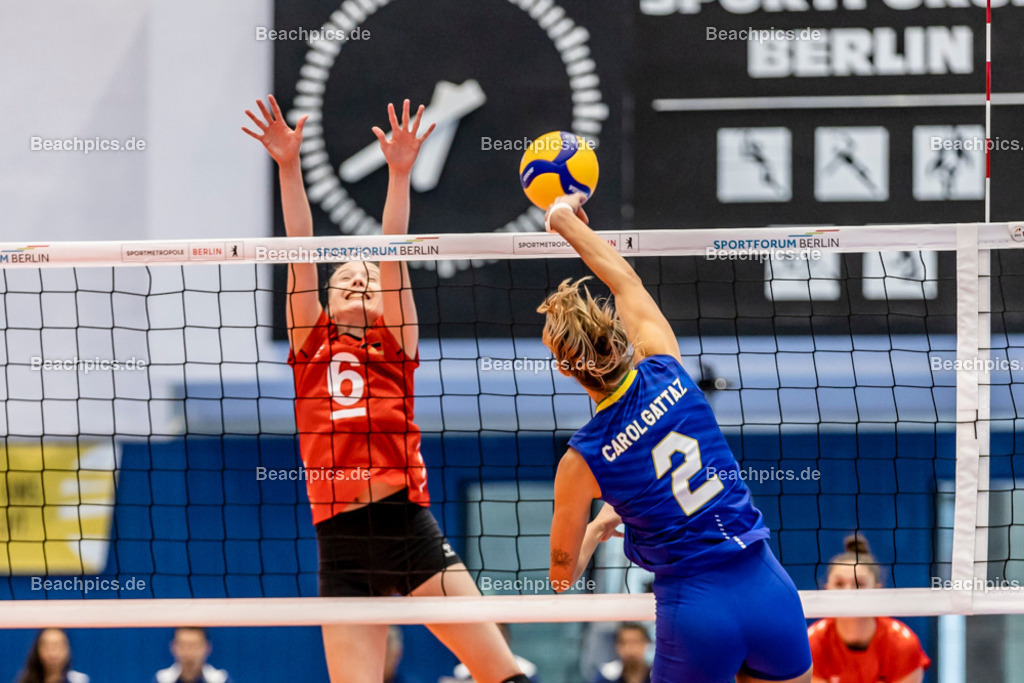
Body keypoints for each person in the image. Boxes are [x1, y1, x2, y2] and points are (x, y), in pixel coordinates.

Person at [243, 95, 528, 683]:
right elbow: (300, 255)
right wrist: (288, 167)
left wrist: (400, 174)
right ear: (328, 297)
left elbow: (393, 253)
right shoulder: (310, 344)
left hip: (406, 529)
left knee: (504, 675)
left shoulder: (394, 342)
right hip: (340, 547)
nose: (355, 280)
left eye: (365, 278)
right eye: (343, 278)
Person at [541, 192, 812, 683]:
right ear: (619, 341)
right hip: (770, 590)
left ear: (565, 369)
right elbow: (623, 279)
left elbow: (562, 578)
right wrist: (563, 220)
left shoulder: (582, 459)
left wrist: (601, 528)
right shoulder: (666, 368)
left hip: (695, 614)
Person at [807, 534, 930, 683]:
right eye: (839, 584)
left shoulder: (903, 644)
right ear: (826, 589)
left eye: (858, 584)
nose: (848, 592)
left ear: (876, 590)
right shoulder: (812, 643)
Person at [152, 627, 232, 683]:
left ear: (207, 647)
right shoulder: (161, 680)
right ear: (173, 647)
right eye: (183, 645)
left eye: (194, 645)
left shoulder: (221, 680)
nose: (188, 652)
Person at [16, 628, 89, 683]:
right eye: (47, 646)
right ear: (37, 649)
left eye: (57, 645)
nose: (52, 652)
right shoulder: (25, 680)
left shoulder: (79, 681)